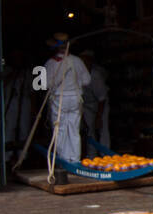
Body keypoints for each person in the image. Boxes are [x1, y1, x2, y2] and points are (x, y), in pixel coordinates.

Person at [44, 33, 90, 173]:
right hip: (75, 98)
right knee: (74, 130)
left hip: (60, 99)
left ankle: (64, 161)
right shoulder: (77, 61)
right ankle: (75, 160)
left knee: (60, 129)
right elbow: (87, 80)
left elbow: (45, 85)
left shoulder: (50, 63)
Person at [80, 50, 110, 152]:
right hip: (86, 104)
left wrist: (98, 117)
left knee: (102, 129)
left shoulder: (96, 75)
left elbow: (102, 98)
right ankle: (91, 155)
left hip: (100, 103)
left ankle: (105, 155)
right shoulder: (78, 75)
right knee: (89, 130)